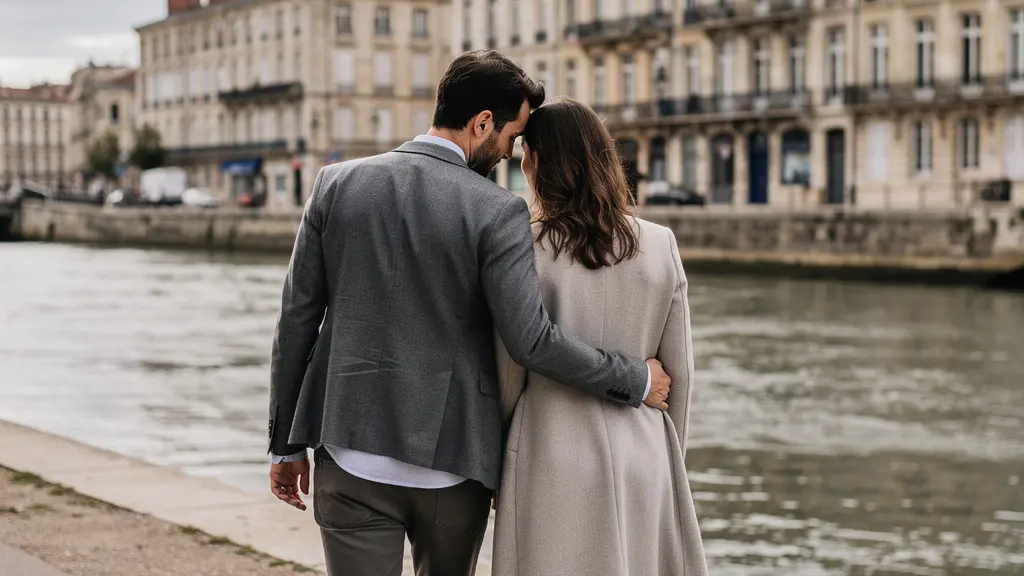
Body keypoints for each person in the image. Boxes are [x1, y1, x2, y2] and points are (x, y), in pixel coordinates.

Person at [266, 51, 673, 576]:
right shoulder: (497, 210)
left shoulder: (335, 184)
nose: (507, 155)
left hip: (349, 452)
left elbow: (296, 324)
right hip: (453, 464)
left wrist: (285, 446)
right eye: (510, 137)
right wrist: (635, 379)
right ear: (482, 123)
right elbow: (531, 342)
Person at [492, 99, 709, 576]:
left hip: (549, 451)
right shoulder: (660, 244)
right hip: (644, 451)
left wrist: (502, 459)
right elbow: (681, 374)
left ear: (537, 163)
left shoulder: (525, 247)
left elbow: (509, 373)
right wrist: (669, 455)